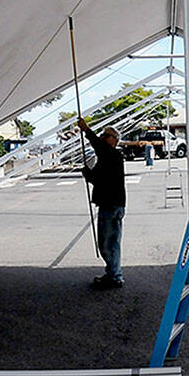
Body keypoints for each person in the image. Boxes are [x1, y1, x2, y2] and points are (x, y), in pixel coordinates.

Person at [77, 118, 126, 288]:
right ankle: (112, 273)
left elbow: (99, 146)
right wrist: (87, 174)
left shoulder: (113, 155)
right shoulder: (105, 158)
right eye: (103, 135)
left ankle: (114, 276)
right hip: (108, 203)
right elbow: (97, 180)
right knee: (106, 241)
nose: (103, 137)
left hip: (112, 204)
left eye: (107, 135)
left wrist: (86, 130)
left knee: (109, 242)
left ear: (115, 140)